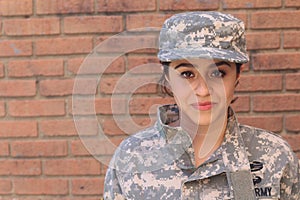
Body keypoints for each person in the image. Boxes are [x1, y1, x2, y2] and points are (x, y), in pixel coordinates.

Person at [104, 11, 300, 199]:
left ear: (237, 77)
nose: (203, 90)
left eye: (218, 73)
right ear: (167, 78)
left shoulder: (275, 156)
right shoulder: (132, 159)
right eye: (187, 74)